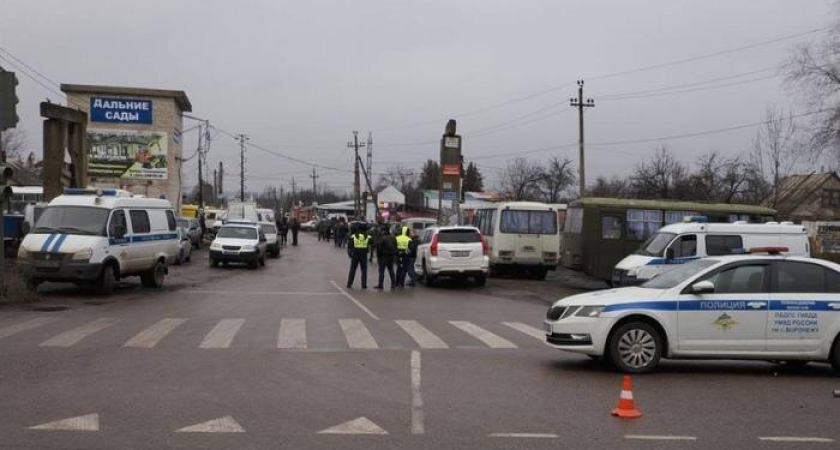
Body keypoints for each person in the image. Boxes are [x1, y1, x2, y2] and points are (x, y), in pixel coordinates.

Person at [346, 223, 370, 289]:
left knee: (353, 269)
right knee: (364, 270)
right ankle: (364, 285)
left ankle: (349, 284)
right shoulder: (367, 236)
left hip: (355, 254)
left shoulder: (354, 236)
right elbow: (372, 243)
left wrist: (350, 253)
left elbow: (349, 246)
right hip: (364, 254)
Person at [374, 225, 397, 289]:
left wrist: (378, 256)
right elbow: (396, 247)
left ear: (383, 231)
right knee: (391, 270)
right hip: (391, 257)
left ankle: (380, 285)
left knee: (381, 271)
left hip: (383, 257)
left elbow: (379, 248)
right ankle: (393, 284)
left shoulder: (382, 238)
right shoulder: (393, 237)